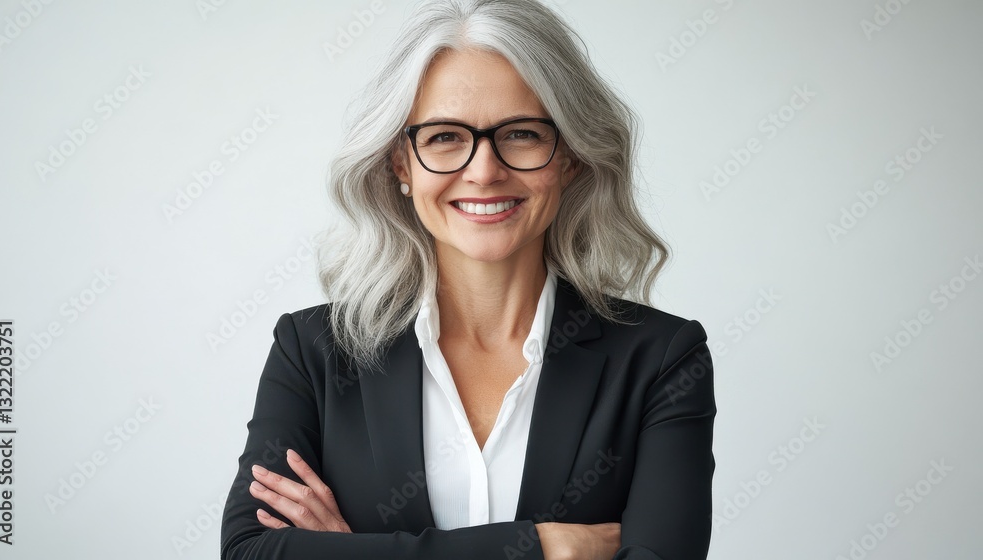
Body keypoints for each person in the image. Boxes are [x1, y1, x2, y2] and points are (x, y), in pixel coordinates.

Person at [220, 0, 717, 558]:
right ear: (400, 165)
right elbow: (249, 552)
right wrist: (541, 546)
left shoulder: (663, 359)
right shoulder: (311, 353)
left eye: (523, 134)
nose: (484, 171)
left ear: (570, 157)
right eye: (444, 137)